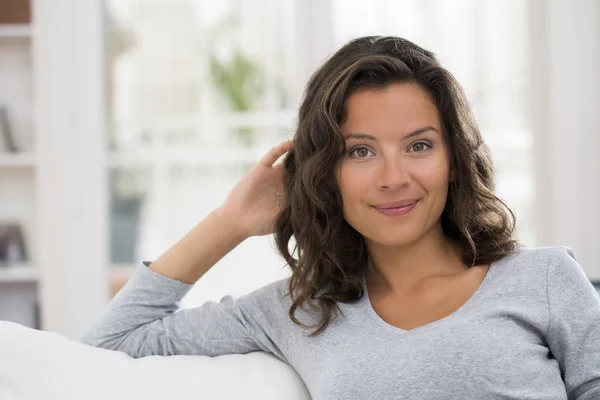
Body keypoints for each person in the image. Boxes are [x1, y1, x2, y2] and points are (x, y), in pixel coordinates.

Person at [81, 36, 600, 399]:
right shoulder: (300, 312)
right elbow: (111, 344)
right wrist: (231, 220)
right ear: (325, 172)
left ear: (453, 160)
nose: (394, 177)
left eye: (419, 145)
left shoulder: (546, 279)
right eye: (360, 152)